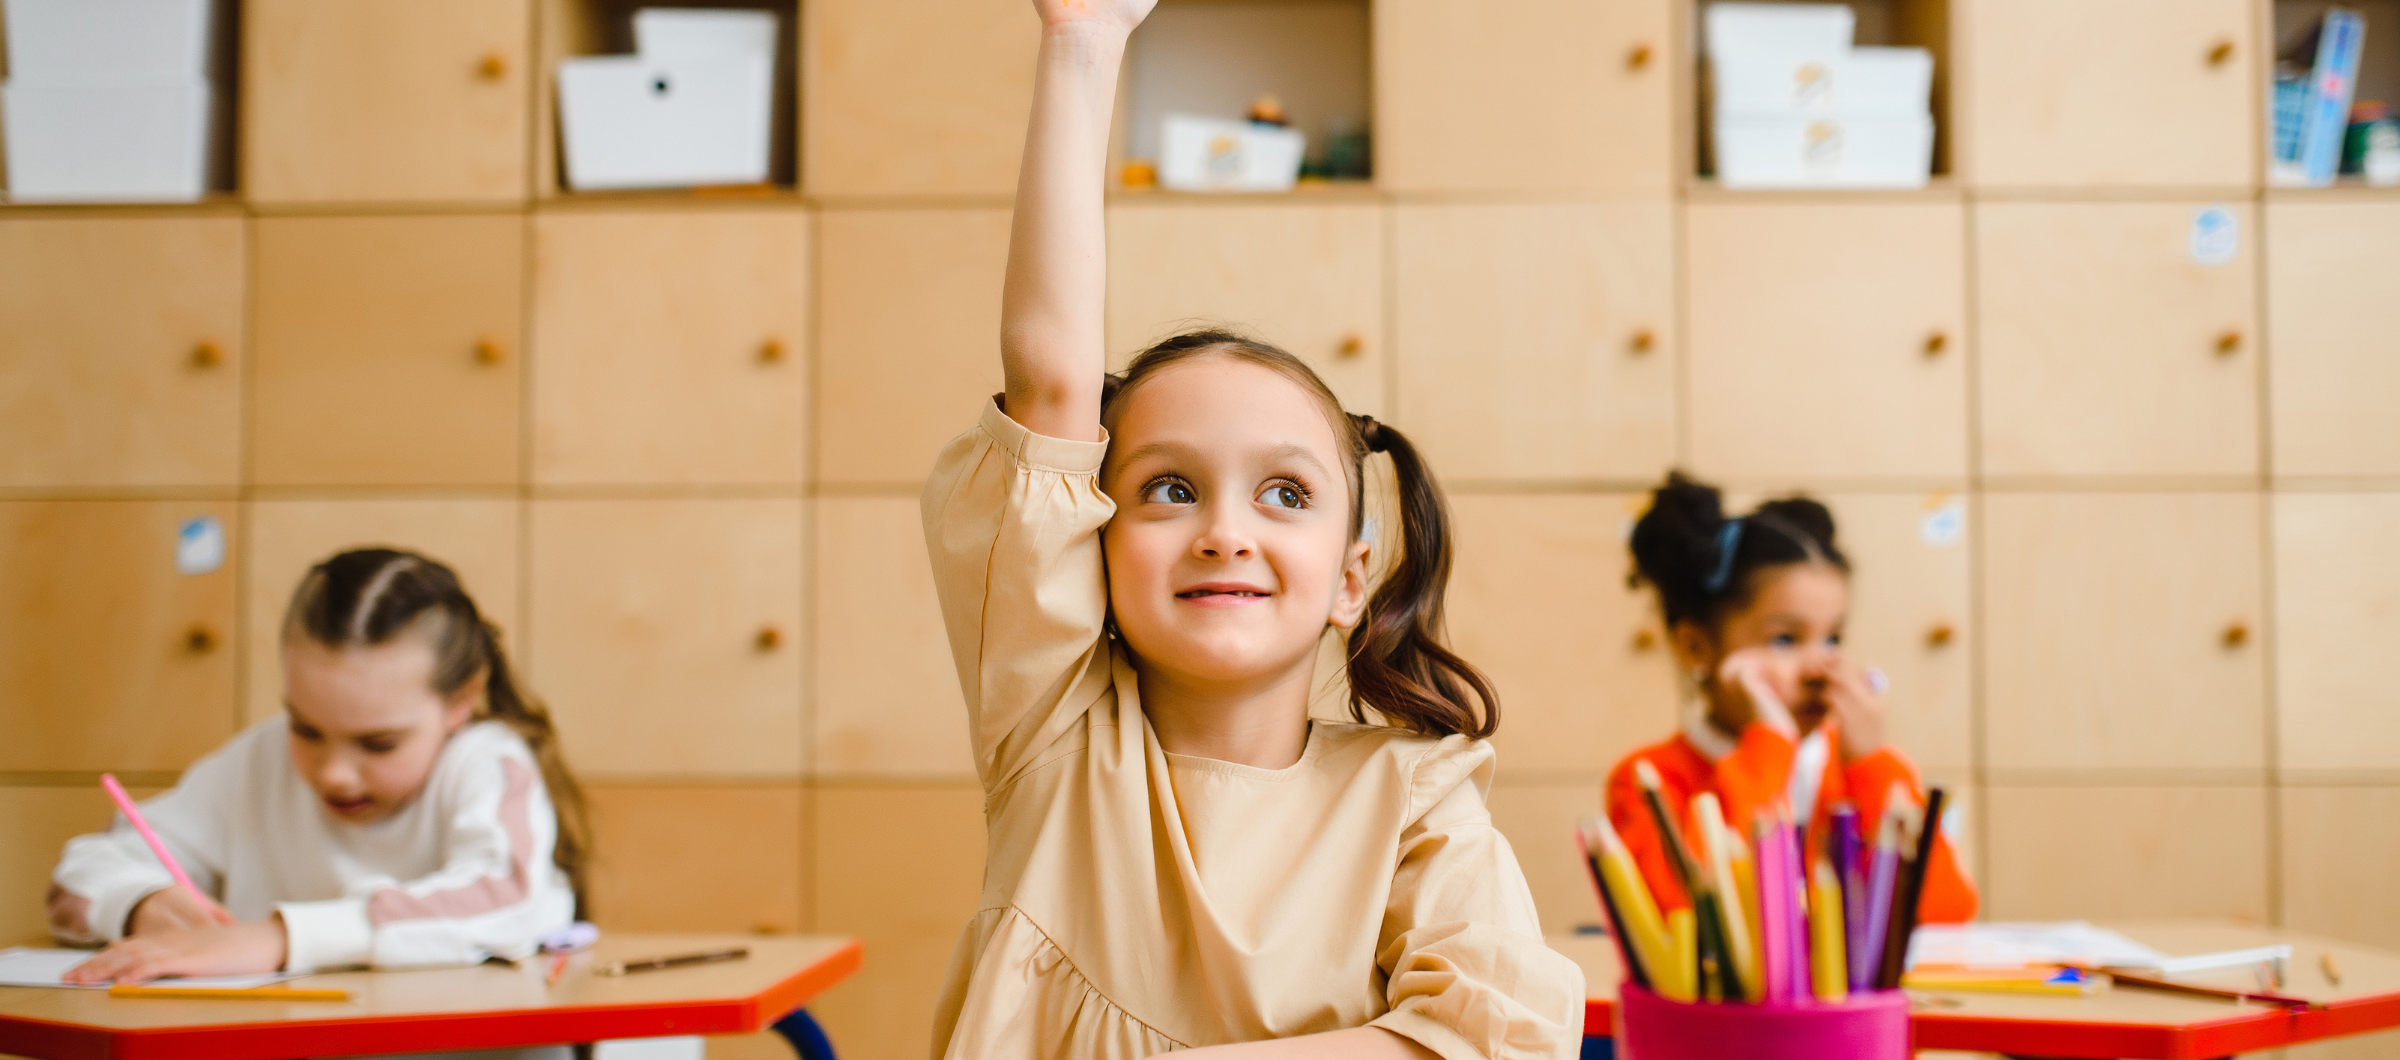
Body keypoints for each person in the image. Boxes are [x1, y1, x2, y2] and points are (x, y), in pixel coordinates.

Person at [916, 1, 1584, 1056]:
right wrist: (1082, 44)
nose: (1225, 530)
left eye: (1284, 494)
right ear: (1092, 540)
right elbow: (1047, 380)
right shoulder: (1051, 725)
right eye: (1169, 490)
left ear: (1351, 578)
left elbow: (1494, 1034)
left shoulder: (1413, 797)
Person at [49, 548, 586, 984]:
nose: (333, 773)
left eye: (378, 744)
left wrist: (280, 938)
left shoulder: (486, 763)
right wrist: (140, 903)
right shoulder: (259, 759)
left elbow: (505, 900)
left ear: (460, 702)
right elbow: (79, 876)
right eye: (305, 730)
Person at [1605, 472, 1976, 923]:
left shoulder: (1857, 771)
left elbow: (1944, 919)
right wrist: (1769, 747)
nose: (1821, 667)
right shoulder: (1649, 781)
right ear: (1696, 646)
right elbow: (1697, 921)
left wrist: (1873, 766)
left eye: (1833, 637)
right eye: (1784, 639)